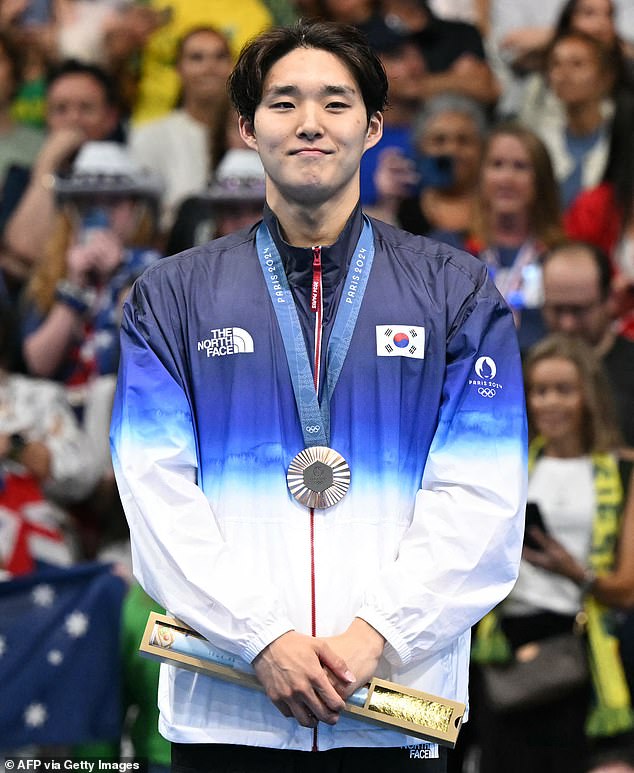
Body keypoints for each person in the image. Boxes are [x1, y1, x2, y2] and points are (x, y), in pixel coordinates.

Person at [110, 19, 527, 771]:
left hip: (394, 703)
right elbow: (155, 493)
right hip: (230, 705)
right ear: (247, 127)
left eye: (336, 104)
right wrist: (263, 637)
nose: (309, 123)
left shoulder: (455, 291)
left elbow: (483, 495)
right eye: (283, 103)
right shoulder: (171, 297)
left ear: (373, 128)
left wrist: (376, 634)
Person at [473, 333, 634, 773]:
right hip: (503, 646)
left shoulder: (623, 470)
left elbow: (627, 588)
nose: (550, 403)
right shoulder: (508, 467)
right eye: (539, 391)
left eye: (564, 389)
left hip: (582, 644)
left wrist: (572, 570)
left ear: (589, 395)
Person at [2, 59, 123, 280]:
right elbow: (25, 248)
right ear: (47, 118)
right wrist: (47, 163)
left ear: (111, 118)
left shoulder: (128, 183)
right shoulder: (21, 177)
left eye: (86, 108)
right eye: (61, 109)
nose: (73, 119)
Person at [464, 122, 565, 351]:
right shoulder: (454, 251)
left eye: (520, 167)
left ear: (541, 180)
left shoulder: (560, 256)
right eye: (497, 165)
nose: (506, 179)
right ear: (480, 176)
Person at [129, 26, 234, 235]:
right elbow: (140, 222)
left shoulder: (254, 133)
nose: (209, 67)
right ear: (179, 69)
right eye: (197, 58)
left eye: (220, 57)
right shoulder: (149, 136)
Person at [541, 240, 634, 448]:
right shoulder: (521, 370)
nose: (567, 324)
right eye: (557, 310)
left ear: (610, 298)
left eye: (579, 310)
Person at [368, 92, 486, 247]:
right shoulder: (402, 210)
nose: (451, 150)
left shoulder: (498, 209)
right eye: (439, 140)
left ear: (482, 148)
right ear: (420, 148)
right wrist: (386, 205)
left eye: (464, 141)